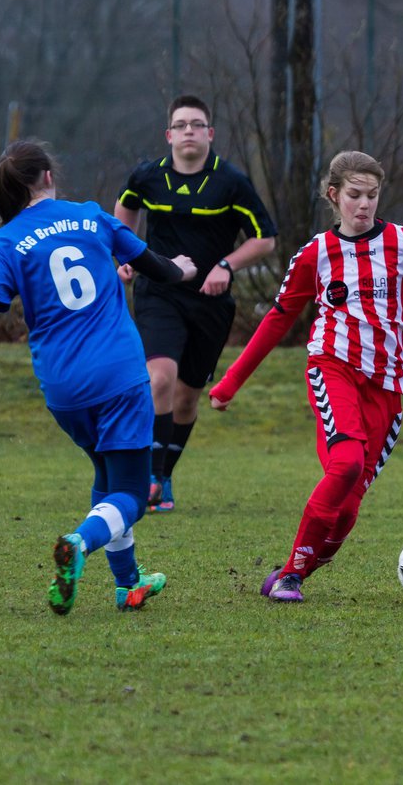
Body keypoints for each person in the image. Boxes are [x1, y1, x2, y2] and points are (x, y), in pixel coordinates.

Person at [0, 139, 197, 616]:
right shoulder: (92, 217)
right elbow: (158, 271)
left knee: (107, 479)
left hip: (63, 389)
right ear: (47, 177)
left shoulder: (3, 243)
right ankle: (78, 544)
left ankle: (128, 585)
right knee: (133, 494)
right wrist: (181, 270)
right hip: (118, 376)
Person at [208, 151, 403, 602]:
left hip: (387, 387)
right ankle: (290, 579)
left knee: (347, 512)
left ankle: (291, 573)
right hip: (333, 367)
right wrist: (230, 383)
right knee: (345, 463)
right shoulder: (316, 254)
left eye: (372, 195)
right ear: (334, 196)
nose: (364, 204)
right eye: (354, 195)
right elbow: (278, 317)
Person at [114, 94, 278, 514]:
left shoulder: (231, 182)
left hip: (210, 302)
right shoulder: (147, 177)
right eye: (181, 124)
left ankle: (165, 474)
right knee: (159, 380)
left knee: (187, 399)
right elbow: (124, 212)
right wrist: (128, 255)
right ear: (169, 135)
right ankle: (149, 479)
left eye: (197, 124)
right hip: (159, 292)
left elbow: (265, 239)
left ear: (210, 134)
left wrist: (226, 263)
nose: (189, 131)